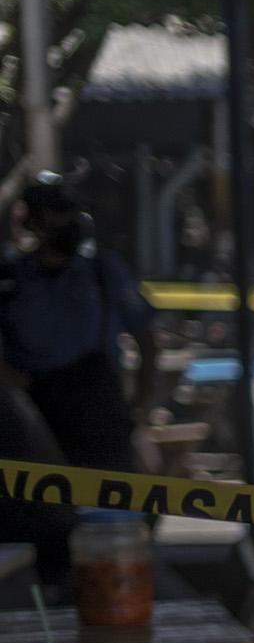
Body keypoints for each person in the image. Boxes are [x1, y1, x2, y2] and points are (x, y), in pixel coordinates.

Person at [0, 172, 157, 581]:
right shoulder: (12, 280)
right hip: (37, 417)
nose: (64, 224)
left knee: (114, 523)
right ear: (33, 224)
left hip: (99, 414)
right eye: (54, 215)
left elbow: (147, 338)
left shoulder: (103, 272)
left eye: (69, 213)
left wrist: (142, 403)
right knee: (44, 523)